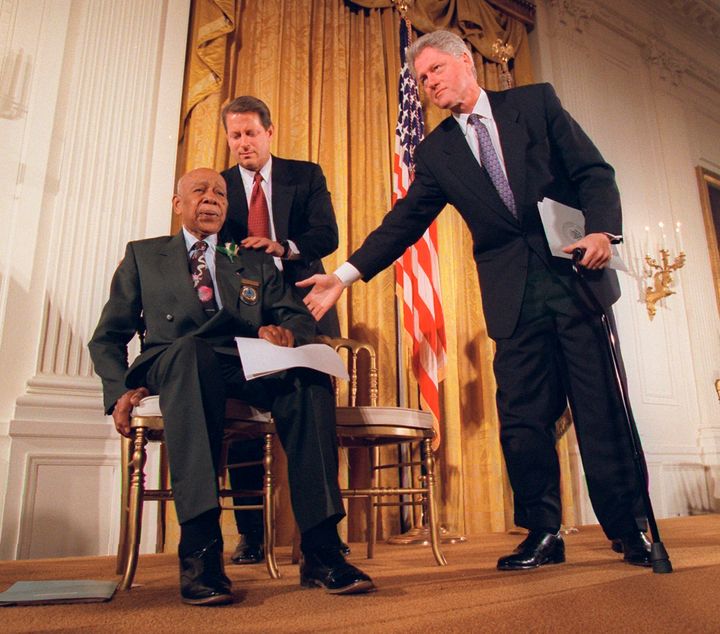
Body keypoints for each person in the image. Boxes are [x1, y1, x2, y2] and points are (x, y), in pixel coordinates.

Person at [298, 30, 652, 570]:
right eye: (421, 78)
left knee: (600, 408)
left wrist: (604, 232)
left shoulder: (535, 103)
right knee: (522, 419)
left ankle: (629, 528)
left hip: (575, 279)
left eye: (436, 69)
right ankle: (542, 532)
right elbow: (405, 222)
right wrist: (344, 276)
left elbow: (593, 172)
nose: (429, 83)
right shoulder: (437, 150)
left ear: (466, 62)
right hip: (513, 298)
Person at [89, 168, 374, 605]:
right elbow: (108, 336)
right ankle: (201, 552)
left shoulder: (251, 259)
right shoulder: (144, 256)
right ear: (177, 203)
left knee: (309, 374)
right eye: (200, 191)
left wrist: (287, 335)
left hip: (246, 361)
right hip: (178, 361)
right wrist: (118, 391)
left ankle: (321, 549)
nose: (211, 199)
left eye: (220, 193)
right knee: (191, 354)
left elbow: (294, 314)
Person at [219, 95, 342, 564]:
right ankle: (251, 535)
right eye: (235, 136)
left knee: (313, 410)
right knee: (248, 423)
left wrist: (281, 246)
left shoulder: (304, 175)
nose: (244, 143)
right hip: (247, 313)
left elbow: (325, 235)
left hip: (305, 303)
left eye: (251, 133)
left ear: (269, 132)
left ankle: (320, 536)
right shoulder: (221, 186)